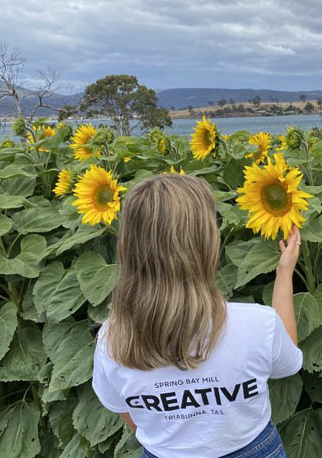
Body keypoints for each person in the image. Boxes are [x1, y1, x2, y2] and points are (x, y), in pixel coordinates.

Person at [91, 174, 302, 458]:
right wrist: (284, 273)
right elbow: (288, 360)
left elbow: (126, 413)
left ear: (129, 247)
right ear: (207, 244)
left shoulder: (113, 338)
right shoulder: (256, 325)